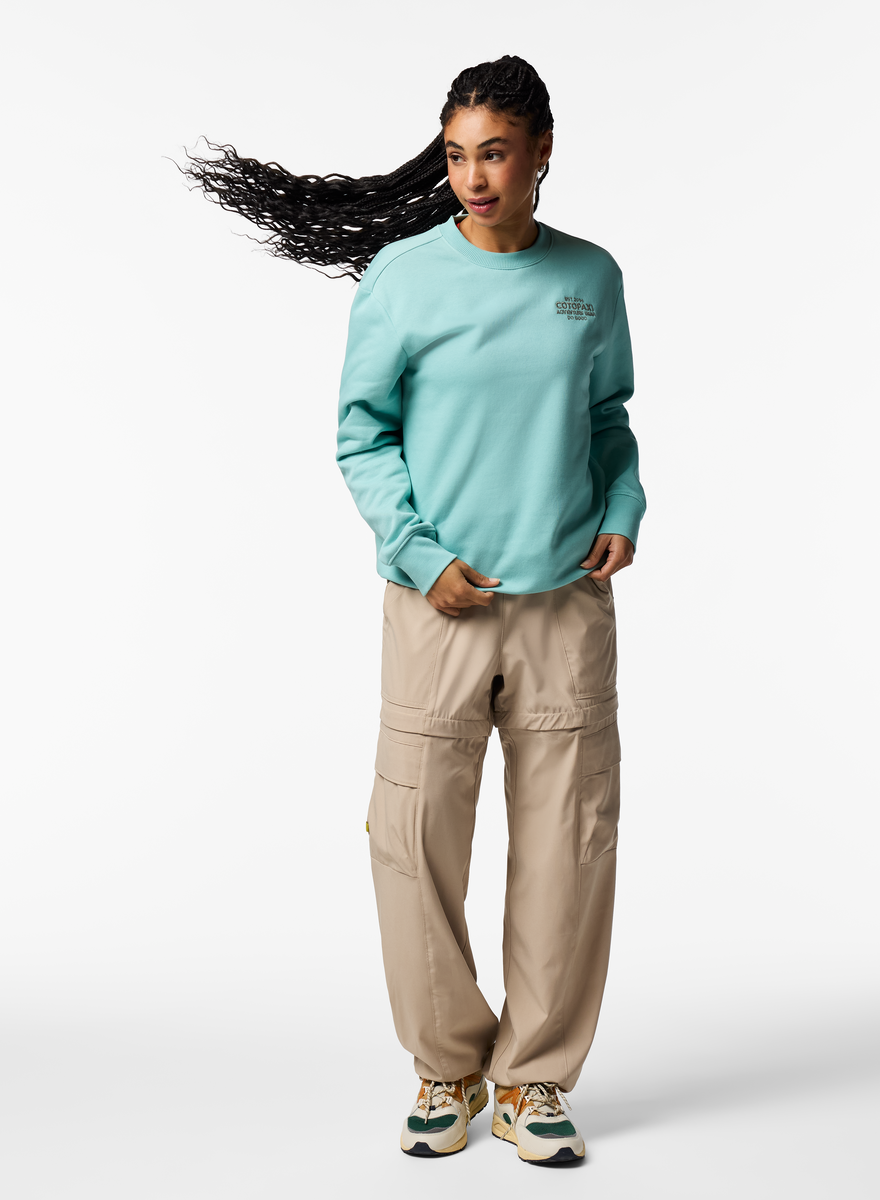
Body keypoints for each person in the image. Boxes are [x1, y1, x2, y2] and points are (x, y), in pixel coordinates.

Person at [184, 54, 645, 1167]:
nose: (473, 177)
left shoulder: (590, 276)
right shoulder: (402, 277)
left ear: (541, 153)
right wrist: (417, 551)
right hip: (438, 609)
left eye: (496, 153)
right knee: (413, 840)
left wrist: (624, 507)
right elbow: (362, 433)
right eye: (457, 155)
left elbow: (609, 420)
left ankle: (535, 1081)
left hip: (564, 606)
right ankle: (447, 1065)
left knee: (570, 844)